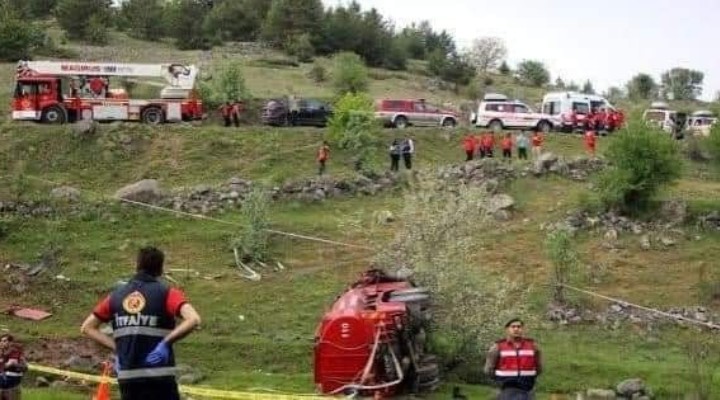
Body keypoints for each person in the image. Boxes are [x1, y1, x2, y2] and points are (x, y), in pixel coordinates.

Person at [80, 247, 201, 400]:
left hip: (129, 379)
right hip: (159, 378)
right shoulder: (167, 293)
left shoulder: (115, 297)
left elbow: (87, 327)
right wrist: (165, 343)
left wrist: (118, 348)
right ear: (160, 269)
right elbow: (193, 319)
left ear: (136, 266)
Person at [483, 319, 542, 400]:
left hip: (527, 388)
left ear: (523, 329)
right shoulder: (498, 346)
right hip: (504, 388)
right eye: (513, 327)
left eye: (519, 327)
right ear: (507, 329)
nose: (516, 329)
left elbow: (539, 367)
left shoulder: (533, 346)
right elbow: (488, 369)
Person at [0, 334, 27, 400]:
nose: (2, 343)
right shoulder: (3, 352)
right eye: (1, 341)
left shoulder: (14, 350)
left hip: (12, 379)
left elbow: (11, 363)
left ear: (10, 342)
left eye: (4, 341)